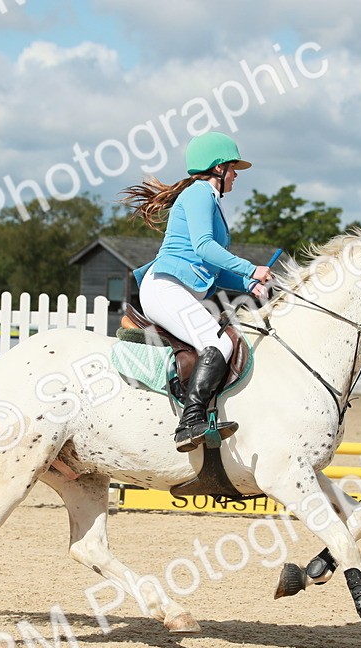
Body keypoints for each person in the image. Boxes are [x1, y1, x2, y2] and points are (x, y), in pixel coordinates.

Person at [122, 131, 272, 452]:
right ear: (218, 168)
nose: (235, 176)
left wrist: (249, 284)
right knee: (218, 341)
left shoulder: (208, 199)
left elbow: (213, 272)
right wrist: (250, 268)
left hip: (181, 290)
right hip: (165, 287)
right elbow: (205, 247)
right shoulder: (199, 194)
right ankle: (190, 423)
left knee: (222, 340)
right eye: (233, 169)